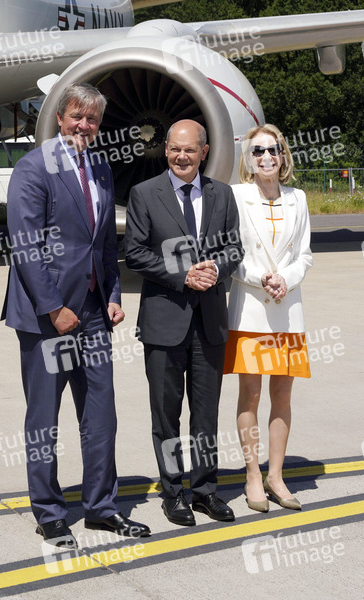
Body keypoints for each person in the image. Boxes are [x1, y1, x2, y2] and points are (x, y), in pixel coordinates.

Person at [1, 82, 150, 545]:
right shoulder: (32, 168)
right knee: (44, 419)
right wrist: (54, 309)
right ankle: (48, 512)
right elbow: (25, 247)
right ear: (60, 118)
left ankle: (101, 508)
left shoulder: (100, 167)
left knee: (101, 416)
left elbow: (103, 243)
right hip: (47, 317)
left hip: (93, 314)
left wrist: (113, 295)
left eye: (92, 119)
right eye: (76, 117)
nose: (83, 125)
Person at [124, 119, 244, 526]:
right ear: (166, 150)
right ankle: (173, 492)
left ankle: (206, 491)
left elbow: (234, 248)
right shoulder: (144, 193)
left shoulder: (222, 194)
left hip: (209, 321)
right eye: (174, 149)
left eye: (189, 150)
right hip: (164, 322)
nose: (181, 156)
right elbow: (135, 253)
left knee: (206, 415)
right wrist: (183, 275)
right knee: (166, 416)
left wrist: (216, 269)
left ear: (203, 152)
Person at [224, 123, 313, 512]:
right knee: (251, 394)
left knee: (282, 395)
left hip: (287, 309)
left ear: (283, 155)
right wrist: (261, 278)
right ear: (248, 158)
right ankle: (253, 476)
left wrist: (286, 280)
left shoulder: (299, 198)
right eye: (257, 151)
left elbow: (305, 255)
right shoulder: (236, 196)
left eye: (272, 149)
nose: (265, 157)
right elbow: (231, 252)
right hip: (251, 308)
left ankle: (276, 475)